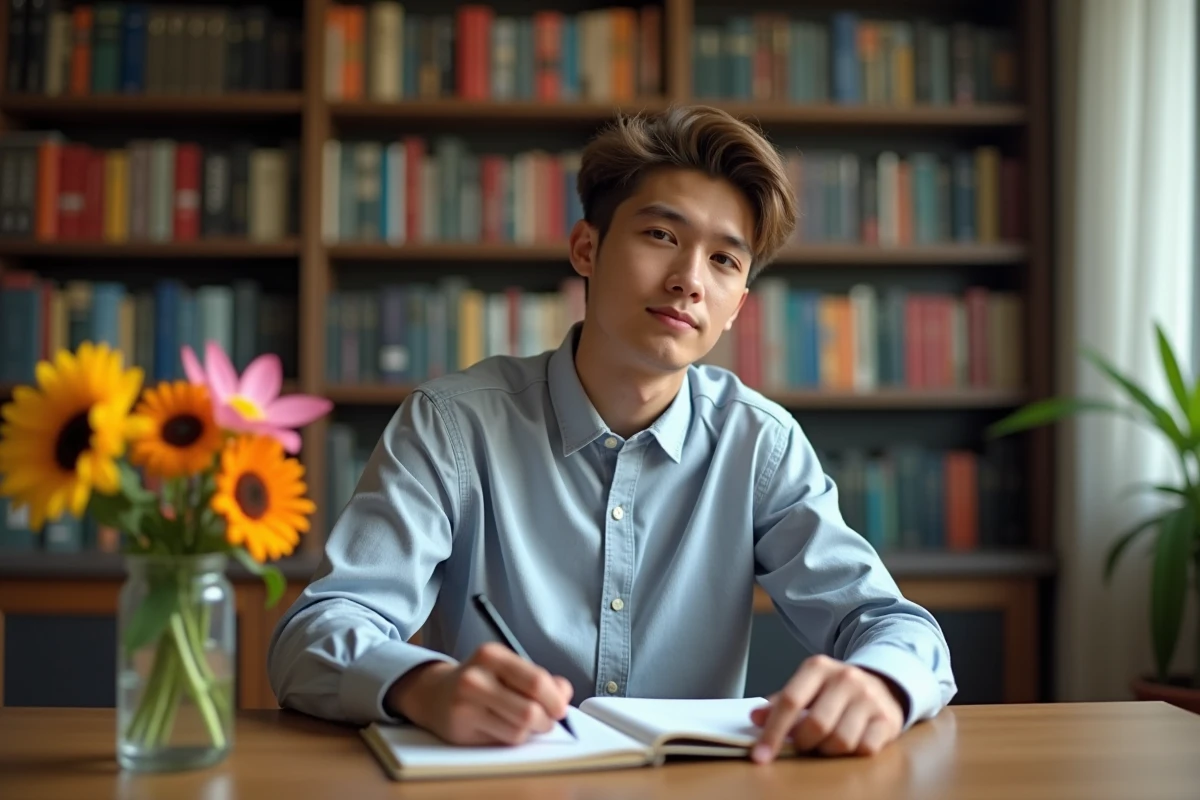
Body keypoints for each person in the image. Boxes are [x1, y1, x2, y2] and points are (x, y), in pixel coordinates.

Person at [267, 104, 956, 763]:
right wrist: (422, 687)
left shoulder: (759, 445)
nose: (689, 280)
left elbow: (893, 626)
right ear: (586, 247)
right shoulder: (453, 426)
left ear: (738, 307)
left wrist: (882, 686)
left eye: (724, 260)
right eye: (661, 236)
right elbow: (313, 635)